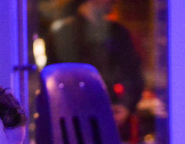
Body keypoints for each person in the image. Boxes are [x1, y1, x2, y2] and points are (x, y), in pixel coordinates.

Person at [44, 0, 145, 131]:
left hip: (111, 123)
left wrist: (125, 106)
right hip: (75, 124)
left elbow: (133, 74)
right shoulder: (63, 34)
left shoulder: (118, 33)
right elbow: (55, 82)